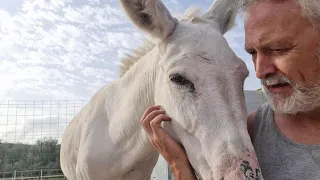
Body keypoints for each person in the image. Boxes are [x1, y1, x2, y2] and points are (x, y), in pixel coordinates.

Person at [140, 0, 320, 179]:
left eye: (278, 48)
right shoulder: (251, 132)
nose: (259, 72)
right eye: (253, 53)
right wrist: (179, 166)